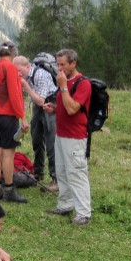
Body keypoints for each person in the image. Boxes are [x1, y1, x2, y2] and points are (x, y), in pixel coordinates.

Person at [46, 49, 92, 225]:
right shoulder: (64, 81)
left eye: (63, 64)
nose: (60, 68)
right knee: (62, 171)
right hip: (61, 134)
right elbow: (66, 106)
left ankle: (84, 213)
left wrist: (63, 86)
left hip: (75, 136)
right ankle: (65, 205)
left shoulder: (83, 83)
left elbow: (73, 109)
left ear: (73, 64)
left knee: (76, 173)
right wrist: (55, 108)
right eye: (58, 64)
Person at [0, 41, 29, 203]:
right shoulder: (10, 68)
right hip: (6, 115)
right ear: (13, 54)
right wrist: (23, 117)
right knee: (9, 154)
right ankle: (9, 190)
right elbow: (15, 95)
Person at [13, 55, 59, 192]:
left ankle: (56, 178)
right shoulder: (26, 75)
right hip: (37, 106)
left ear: (28, 66)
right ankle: (38, 172)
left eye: (19, 70)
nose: (18, 74)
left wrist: (25, 85)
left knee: (51, 141)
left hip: (50, 103)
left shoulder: (40, 75)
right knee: (36, 137)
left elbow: (41, 101)